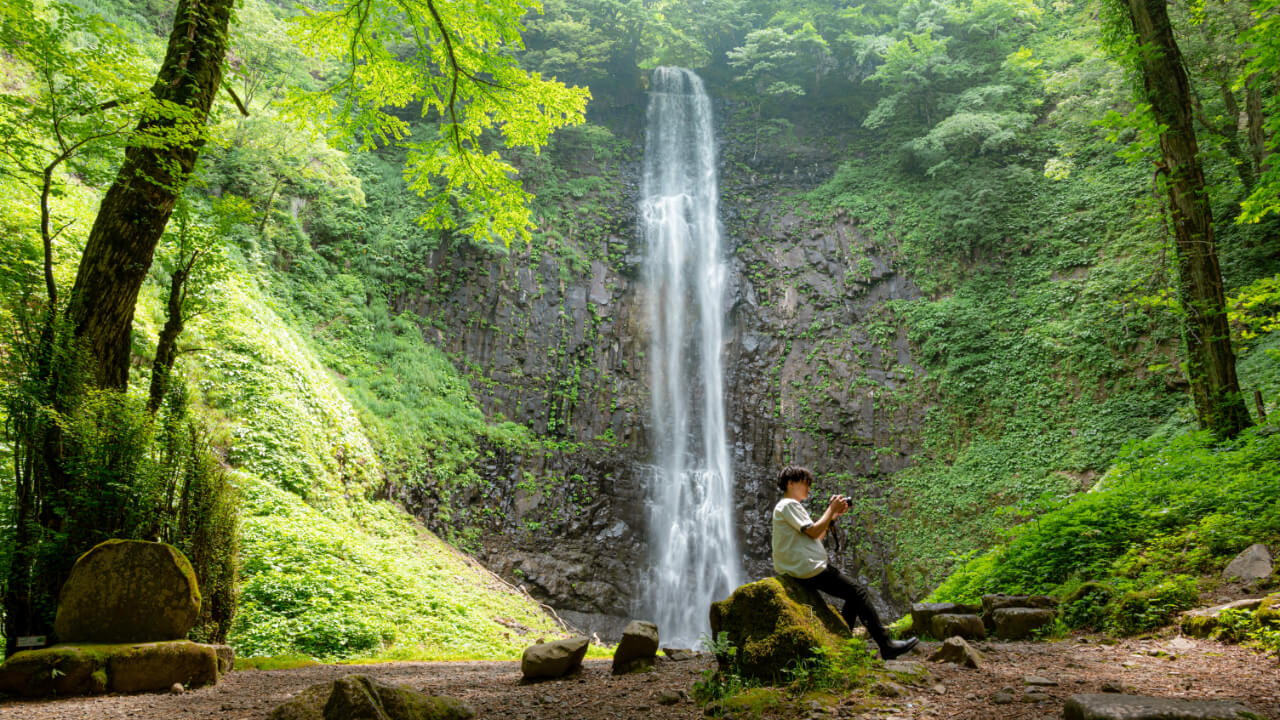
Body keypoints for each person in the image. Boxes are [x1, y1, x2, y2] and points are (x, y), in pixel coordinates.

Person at [772, 465, 918, 660]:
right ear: (791, 483)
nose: (808, 487)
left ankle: (843, 641)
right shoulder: (788, 505)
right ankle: (886, 644)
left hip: (803, 566)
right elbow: (814, 531)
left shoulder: (790, 507)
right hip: (806, 567)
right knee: (857, 592)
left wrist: (833, 516)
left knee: (853, 596)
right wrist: (829, 509)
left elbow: (816, 537)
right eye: (805, 483)